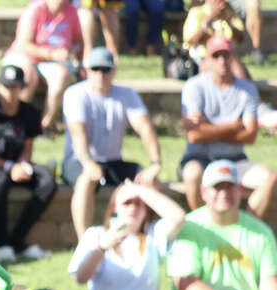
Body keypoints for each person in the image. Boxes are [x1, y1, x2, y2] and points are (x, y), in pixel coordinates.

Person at [166, 159, 277, 290]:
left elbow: (269, 282)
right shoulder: (190, 226)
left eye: (230, 187)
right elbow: (186, 284)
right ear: (203, 192)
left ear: (241, 191)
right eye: (217, 188)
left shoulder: (260, 232)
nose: (224, 194)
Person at [62, 46, 164, 237]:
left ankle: (150, 238)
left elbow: (145, 128)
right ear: (86, 70)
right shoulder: (74, 94)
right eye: (95, 69)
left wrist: (155, 163)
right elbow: (78, 134)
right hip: (78, 161)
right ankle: (84, 242)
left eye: (105, 69)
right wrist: (88, 162)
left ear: (113, 70)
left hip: (112, 162)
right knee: (86, 180)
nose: (100, 74)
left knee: (151, 181)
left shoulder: (127, 95)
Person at [178, 37, 276, 218]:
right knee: (192, 175)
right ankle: (204, 229)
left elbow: (251, 136)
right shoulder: (195, 86)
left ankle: (248, 230)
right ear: (208, 59)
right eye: (216, 56)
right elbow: (194, 135)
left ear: (233, 57)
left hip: (235, 159)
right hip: (200, 158)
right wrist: (233, 126)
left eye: (226, 55)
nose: (222, 60)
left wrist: (209, 128)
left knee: (269, 178)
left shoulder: (247, 89)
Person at [0, 64, 56, 264]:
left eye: (15, 87)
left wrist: (23, 164)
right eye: (7, 86)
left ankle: (17, 240)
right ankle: (2, 244)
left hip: (18, 164)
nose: (11, 92)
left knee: (47, 181)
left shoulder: (30, 113)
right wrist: (9, 167)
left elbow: (27, 147)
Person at [3, 0, 84, 132]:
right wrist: (51, 54)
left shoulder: (71, 11)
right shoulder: (35, 9)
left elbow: (79, 42)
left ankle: (45, 125)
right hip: (25, 57)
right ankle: (16, 122)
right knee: (27, 76)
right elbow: (23, 44)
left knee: (62, 76)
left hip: (53, 64)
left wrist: (77, 59)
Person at [184, 0, 250, 76]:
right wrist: (209, 19)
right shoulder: (197, 13)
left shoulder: (229, 13)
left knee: (238, 67)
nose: (221, 3)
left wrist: (227, 21)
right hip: (204, 58)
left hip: (228, 57)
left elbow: (240, 38)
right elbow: (191, 41)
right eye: (217, 1)